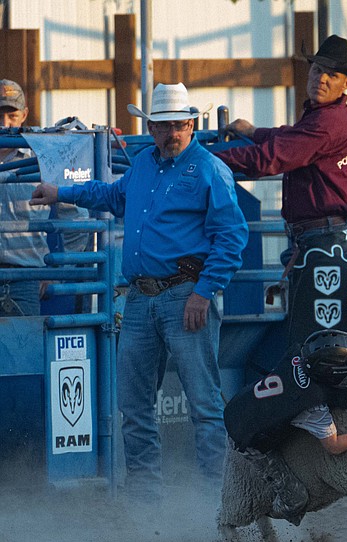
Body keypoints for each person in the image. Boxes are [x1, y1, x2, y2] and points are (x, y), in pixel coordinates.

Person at [31, 82, 249, 502]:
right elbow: (112, 195)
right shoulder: (146, 165)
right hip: (144, 297)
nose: (169, 133)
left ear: (190, 124)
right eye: (161, 126)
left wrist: (204, 293)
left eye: (176, 125)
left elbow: (232, 237)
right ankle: (149, 504)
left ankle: (219, 505)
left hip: (185, 293)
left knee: (203, 404)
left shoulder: (207, 168)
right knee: (136, 406)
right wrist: (63, 192)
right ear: (151, 127)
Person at [215, 35, 347, 346]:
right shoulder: (330, 117)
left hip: (322, 245)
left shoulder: (326, 122)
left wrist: (207, 160)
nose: (321, 79)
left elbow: (272, 157)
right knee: (320, 339)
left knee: (314, 343)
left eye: (332, 75)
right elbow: (292, 138)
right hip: (326, 241)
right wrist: (255, 132)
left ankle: (313, 393)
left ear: (346, 84)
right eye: (317, 71)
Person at [224, 329, 347, 523]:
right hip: (247, 435)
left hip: (242, 404)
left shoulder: (300, 355)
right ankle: (263, 512)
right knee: (296, 500)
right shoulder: (312, 406)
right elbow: (334, 446)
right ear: (332, 374)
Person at [0, 79, 88, 316]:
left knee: (24, 350)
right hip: (26, 277)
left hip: (25, 277)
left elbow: (76, 218)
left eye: (12, 115)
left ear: (25, 115)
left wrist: (59, 272)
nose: (4, 123)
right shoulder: (43, 159)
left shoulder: (43, 160)